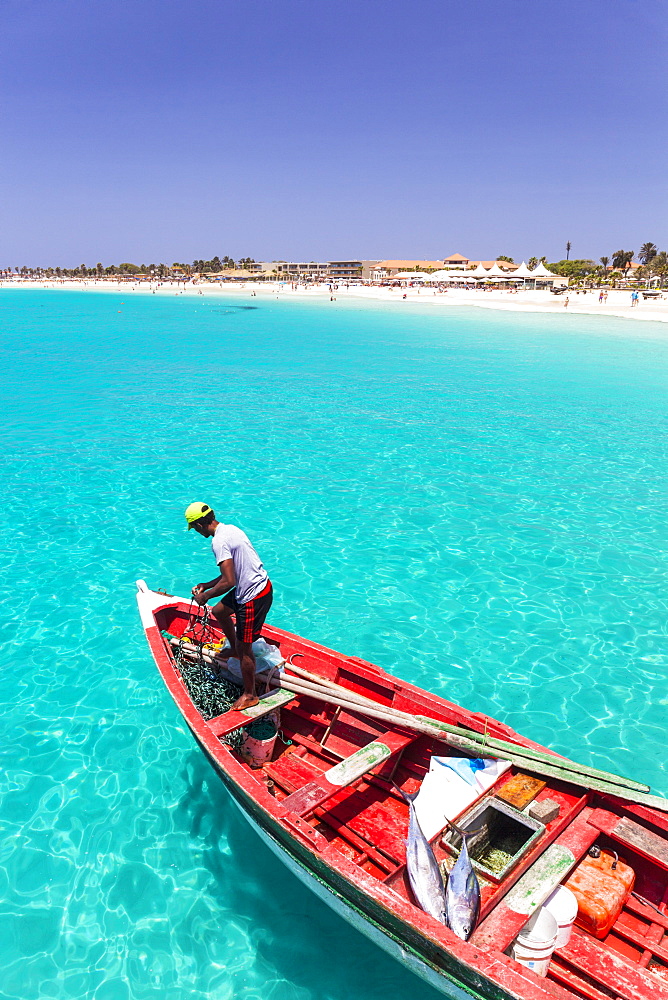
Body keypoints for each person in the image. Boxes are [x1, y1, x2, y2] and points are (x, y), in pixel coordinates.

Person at [184, 502, 273, 711]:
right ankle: (233, 648)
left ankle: (250, 695)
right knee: (219, 611)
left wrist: (204, 596)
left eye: (194, 528)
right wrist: (207, 584)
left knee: (245, 650)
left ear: (198, 525)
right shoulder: (230, 529)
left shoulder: (218, 542)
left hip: (253, 596)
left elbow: (229, 581)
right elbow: (230, 573)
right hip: (256, 586)